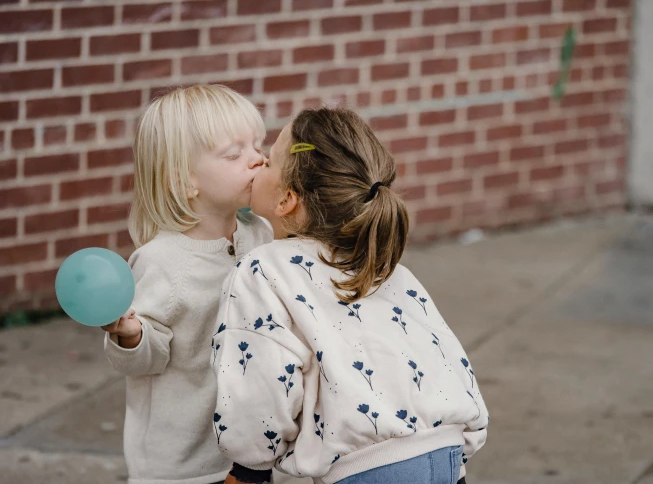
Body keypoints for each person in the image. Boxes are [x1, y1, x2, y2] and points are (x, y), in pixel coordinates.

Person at [212, 107, 488, 484]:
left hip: (371, 472)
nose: (258, 162)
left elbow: (258, 388)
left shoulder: (263, 269)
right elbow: (448, 365)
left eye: (271, 160)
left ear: (286, 199)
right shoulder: (388, 269)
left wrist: (248, 469)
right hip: (449, 459)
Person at [101, 84, 274, 484]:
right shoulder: (162, 261)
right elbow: (145, 360)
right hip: (182, 463)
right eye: (235, 154)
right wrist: (130, 335)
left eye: (258, 145)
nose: (258, 159)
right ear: (183, 182)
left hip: (250, 448)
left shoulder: (261, 233)